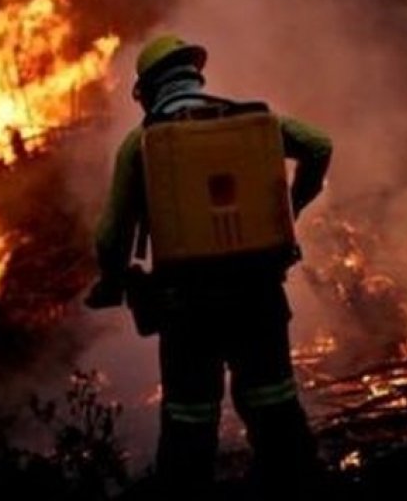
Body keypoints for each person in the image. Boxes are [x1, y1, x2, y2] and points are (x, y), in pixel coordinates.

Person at [84, 33, 332, 496]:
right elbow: (319, 145)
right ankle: (299, 494)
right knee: (273, 403)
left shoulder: (141, 143)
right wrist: (291, 208)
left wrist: (113, 280)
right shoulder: (252, 121)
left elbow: (109, 236)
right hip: (260, 296)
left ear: (147, 91)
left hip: (186, 309)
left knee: (189, 418)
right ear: (195, 76)